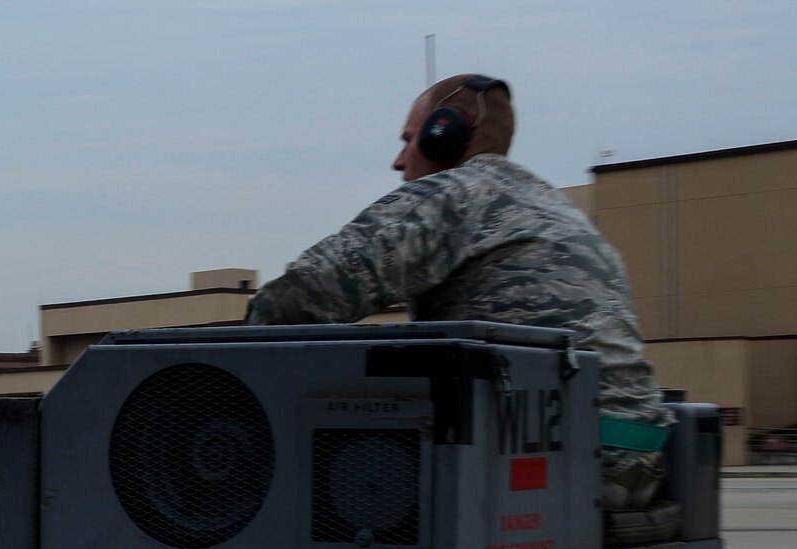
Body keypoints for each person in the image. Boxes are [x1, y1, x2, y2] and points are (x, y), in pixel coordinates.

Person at [246, 75, 672, 513]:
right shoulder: (559, 209)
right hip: (638, 459)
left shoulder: (456, 194)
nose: (398, 161)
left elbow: (304, 292)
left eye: (410, 140)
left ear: (444, 135)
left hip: (558, 456)